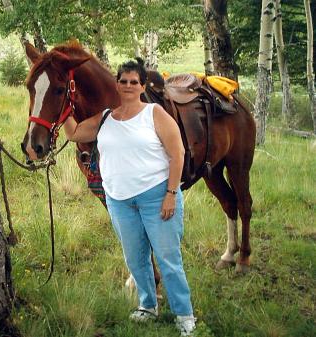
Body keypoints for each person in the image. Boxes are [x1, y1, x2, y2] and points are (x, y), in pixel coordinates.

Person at [63, 59, 196, 336]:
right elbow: (75, 133)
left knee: (168, 258)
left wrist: (171, 194)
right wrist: (63, 108)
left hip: (157, 196)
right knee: (136, 259)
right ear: (116, 84)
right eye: (123, 81)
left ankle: (184, 314)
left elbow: (178, 154)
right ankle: (148, 306)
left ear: (142, 86)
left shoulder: (154, 114)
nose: (127, 86)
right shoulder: (105, 118)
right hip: (119, 201)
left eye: (134, 81)